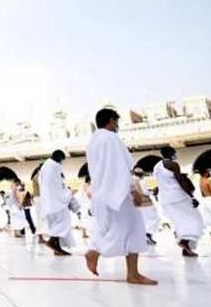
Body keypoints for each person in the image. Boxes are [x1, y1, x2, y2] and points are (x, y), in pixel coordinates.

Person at [84, 109, 157, 285]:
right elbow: (122, 168)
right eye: (116, 121)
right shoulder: (112, 138)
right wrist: (133, 190)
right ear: (110, 120)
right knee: (134, 229)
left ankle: (98, 252)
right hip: (119, 193)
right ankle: (130, 272)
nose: (117, 125)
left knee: (117, 228)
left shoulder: (93, 141)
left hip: (103, 193)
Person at [154, 146, 203, 257]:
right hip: (178, 196)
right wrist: (192, 197)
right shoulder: (173, 164)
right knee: (196, 219)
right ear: (171, 153)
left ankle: (187, 249)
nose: (176, 154)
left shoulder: (156, 166)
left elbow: (162, 182)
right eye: (174, 152)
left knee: (181, 221)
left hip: (166, 198)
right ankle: (184, 241)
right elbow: (180, 181)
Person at [38, 150, 74, 256]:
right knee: (64, 221)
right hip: (56, 202)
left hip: (47, 202)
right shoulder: (54, 167)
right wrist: (68, 193)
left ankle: (57, 248)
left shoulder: (45, 166)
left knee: (55, 225)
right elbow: (58, 186)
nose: (61, 163)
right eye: (61, 160)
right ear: (59, 158)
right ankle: (52, 241)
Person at [132, 168, 160, 245]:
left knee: (143, 221)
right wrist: (153, 192)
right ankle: (148, 235)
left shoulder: (131, 180)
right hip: (146, 204)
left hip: (137, 204)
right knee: (154, 219)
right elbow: (145, 192)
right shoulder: (142, 181)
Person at [31, 164, 48, 244]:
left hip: (40, 198)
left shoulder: (39, 176)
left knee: (43, 217)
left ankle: (41, 237)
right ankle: (40, 238)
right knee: (40, 218)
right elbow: (43, 186)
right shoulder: (38, 176)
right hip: (39, 198)